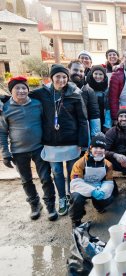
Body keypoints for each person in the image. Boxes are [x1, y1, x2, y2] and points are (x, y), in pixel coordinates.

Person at [31, 64, 89, 216]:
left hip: (71, 140)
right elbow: (22, 96)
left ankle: (71, 196)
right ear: (52, 78)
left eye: (64, 77)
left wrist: (83, 143)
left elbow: (83, 119)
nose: (61, 80)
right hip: (51, 141)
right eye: (58, 76)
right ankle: (61, 198)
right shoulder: (43, 93)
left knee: (71, 172)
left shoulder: (75, 93)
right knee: (56, 172)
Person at [0, 76, 58, 221]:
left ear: (28, 90)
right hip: (18, 152)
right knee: (26, 180)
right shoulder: (5, 108)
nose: (21, 91)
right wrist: (5, 153)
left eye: (24, 88)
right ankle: (35, 204)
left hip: (39, 148)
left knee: (45, 178)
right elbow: (2, 132)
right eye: (17, 88)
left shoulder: (37, 104)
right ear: (11, 91)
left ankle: (50, 205)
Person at [69, 133, 115, 227]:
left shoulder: (108, 164)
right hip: (82, 188)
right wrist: (92, 190)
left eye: (101, 148)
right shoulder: (80, 163)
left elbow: (108, 181)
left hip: (98, 187)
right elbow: (76, 182)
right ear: (90, 148)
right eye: (96, 147)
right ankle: (76, 220)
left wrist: (103, 190)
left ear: (104, 150)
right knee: (76, 198)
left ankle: (99, 206)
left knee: (110, 196)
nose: (99, 150)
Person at [68, 60, 101, 137]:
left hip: (82, 132)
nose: (78, 73)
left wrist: (95, 136)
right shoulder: (60, 88)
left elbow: (94, 115)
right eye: (75, 70)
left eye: (81, 71)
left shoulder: (89, 91)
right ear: (69, 70)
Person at [86, 65, 111, 132]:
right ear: (92, 74)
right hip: (88, 119)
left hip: (102, 120)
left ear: (104, 76)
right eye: (95, 74)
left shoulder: (106, 90)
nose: (98, 76)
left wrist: (107, 124)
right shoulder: (86, 88)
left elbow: (108, 108)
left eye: (100, 74)